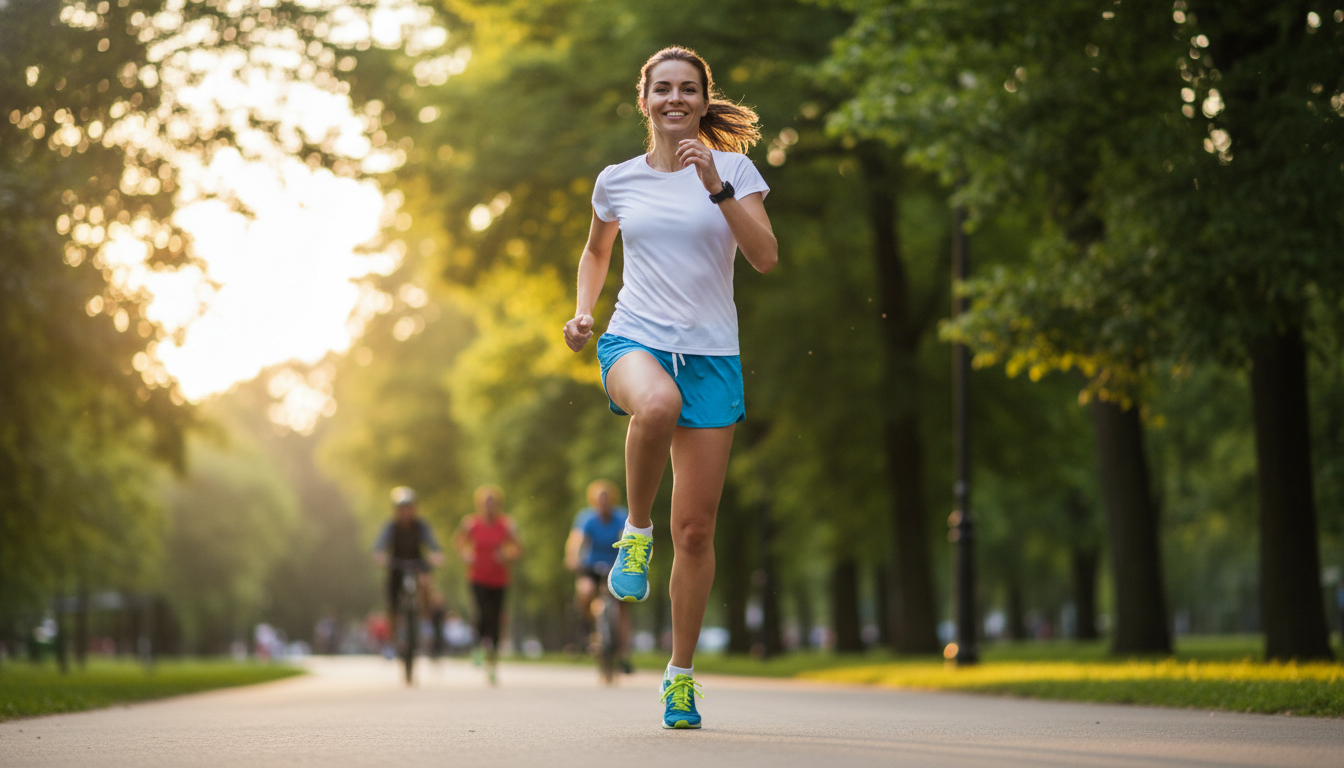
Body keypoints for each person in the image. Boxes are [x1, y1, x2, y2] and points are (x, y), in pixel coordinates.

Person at [562, 46, 776, 729]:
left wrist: (715, 183)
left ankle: (680, 677)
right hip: (635, 338)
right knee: (657, 404)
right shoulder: (617, 180)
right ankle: (634, 531)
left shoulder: (736, 170)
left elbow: (766, 257)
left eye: (688, 89)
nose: (675, 99)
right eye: (663, 89)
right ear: (645, 99)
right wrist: (584, 312)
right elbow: (598, 250)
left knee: (698, 530)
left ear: (704, 100)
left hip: (712, 354)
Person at [454, 484, 522, 685]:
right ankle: (478, 647)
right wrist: (466, 554)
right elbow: (458, 542)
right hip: (477, 577)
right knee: (482, 613)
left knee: (496, 618)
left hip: (499, 578)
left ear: (498, 505)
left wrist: (506, 553)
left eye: (493, 503)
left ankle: (493, 661)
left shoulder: (507, 524)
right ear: (480, 505)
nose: (489, 507)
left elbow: (518, 548)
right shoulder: (470, 523)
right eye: (486, 503)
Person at [564, 479, 632, 670]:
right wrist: (572, 557)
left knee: (622, 606)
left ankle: (625, 655)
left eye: (606, 498)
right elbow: (576, 540)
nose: (603, 503)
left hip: (616, 565)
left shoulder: (620, 517)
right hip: (591, 565)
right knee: (586, 591)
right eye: (599, 499)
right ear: (594, 501)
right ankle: (586, 626)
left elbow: (627, 537)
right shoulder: (586, 518)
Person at [372, 487, 445, 658]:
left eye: (409, 507)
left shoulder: (421, 526)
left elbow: (432, 543)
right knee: (391, 600)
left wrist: (436, 554)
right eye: (402, 508)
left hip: (418, 565)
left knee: (426, 583)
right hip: (396, 566)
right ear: (396, 510)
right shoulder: (391, 527)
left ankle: (425, 618)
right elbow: (380, 545)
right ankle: (393, 638)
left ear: (414, 509)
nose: (406, 512)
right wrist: (380, 556)